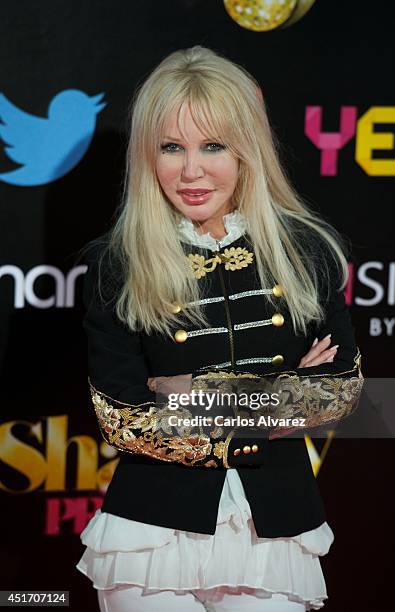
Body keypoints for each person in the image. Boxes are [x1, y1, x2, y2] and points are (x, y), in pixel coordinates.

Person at [75, 46, 363, 612]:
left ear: (248, 149)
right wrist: (278, 394)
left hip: (278, 528)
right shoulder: (118, 263)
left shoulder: (305, 251)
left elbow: (340, 391)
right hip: (149, 536)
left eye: (213, 146)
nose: (191, 171)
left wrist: (189, 393)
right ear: (146, 155)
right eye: (171, 148)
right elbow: (127, 421)